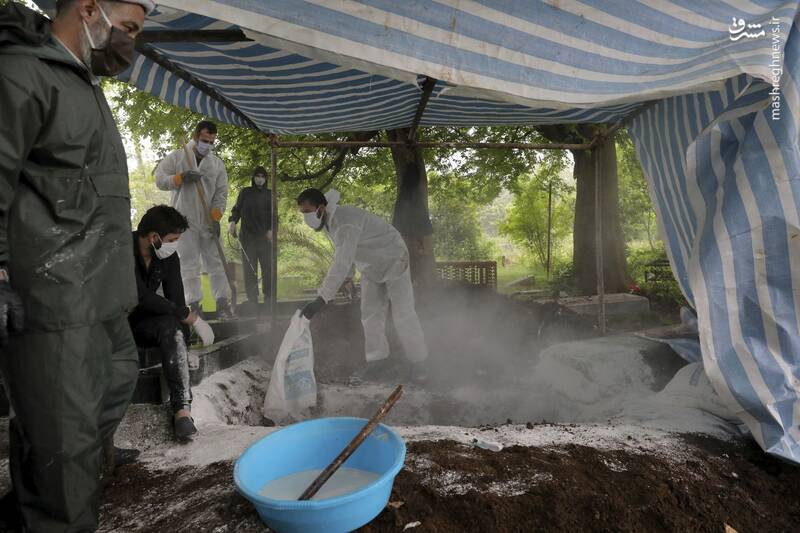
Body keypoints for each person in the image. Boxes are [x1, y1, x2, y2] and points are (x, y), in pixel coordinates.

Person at [0, 0, 151, 531]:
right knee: (65, 445)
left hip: (102, 291)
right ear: (89, 9)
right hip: (55, 294)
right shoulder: (21, 73)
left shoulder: (82, 82)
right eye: (127, 27)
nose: (131, 42)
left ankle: (30, 509)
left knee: (113, 385)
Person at [297, 189, 428, 379]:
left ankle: (419, 361)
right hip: (370, 265)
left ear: (321, 208)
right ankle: (377, 360)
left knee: (403, 313)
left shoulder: (344, 221)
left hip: (393, 258)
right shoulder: (330, 222)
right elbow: (346, 250)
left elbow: (342, 261)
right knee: (370, 314)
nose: (305, 217)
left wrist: (322, 298)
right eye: (302, 213)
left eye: (307, 211)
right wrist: (348, 278)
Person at [130, 206, 215, 442]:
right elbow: (139, 296)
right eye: (172, 240)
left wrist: (183, 348)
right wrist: (192, 317)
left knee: (171, 325)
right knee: (172, 316)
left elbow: (176, 301)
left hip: (143, 323)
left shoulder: (166, 256)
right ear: (153, 237)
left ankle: (182, 412)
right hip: (114, 323)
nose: (175, 245)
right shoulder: (123, 250)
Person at [155, 120, 233, 318]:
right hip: (183, 220)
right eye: (205, 140)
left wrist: (216, 217)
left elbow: (221, 193)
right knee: (188, 263)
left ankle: (222, 304)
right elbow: (160, 180)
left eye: (212, 142)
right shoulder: (177, 157)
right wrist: (179, 178)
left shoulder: (216, 164)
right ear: (196, 136)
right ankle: (193, 305)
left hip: (208, 221)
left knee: (215, 262)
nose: (208, 145)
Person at [228, 166, 273, 306]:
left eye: (262, 176)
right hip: (248, 238)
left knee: (268, 268)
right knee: (249, 269)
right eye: (257, 176)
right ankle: (252, 299)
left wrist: (271, 230)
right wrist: (232, 222)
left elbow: (275, 216)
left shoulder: (270, 194)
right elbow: (236, 210)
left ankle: (269, 297)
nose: (260, 179)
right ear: (253, 178)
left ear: (266, 179)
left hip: (265, 238)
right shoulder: (245, 192)